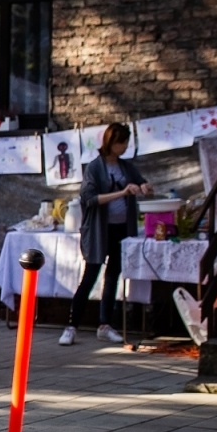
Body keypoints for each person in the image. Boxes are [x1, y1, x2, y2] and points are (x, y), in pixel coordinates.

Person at [60, 123, 150, 346]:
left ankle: (105, 324)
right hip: (100, 230)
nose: (124, 147)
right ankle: (72, 326)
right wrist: (122, 192)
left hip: (122, 229)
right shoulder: (94, 168)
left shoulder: (126, 167)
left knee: (113, 278)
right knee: (90, 276)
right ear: (111, 142)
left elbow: (140, 181)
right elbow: (89, 199)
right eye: (121, 142)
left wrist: (146, 187)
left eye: (127, 142)